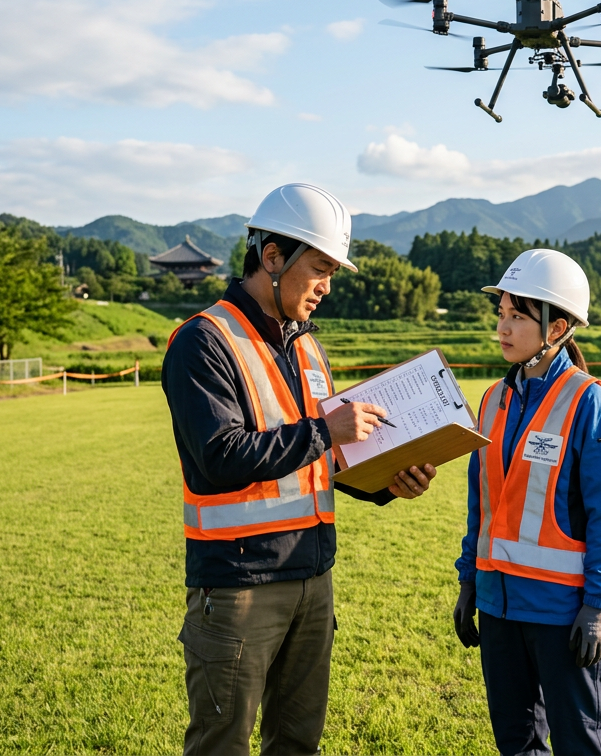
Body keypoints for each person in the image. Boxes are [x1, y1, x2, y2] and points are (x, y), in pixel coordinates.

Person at [162, 183, 436, 756]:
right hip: (239, 586)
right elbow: (219, 459)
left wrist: (388, 481)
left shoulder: (308, 346)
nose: (326, 288)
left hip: (313, 579)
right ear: (271, 257)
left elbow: (327, 459)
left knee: (297, 743)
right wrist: (324, 432)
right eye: (319, 269)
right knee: (223, 745)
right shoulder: (202, 342)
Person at [454, 249, 601, 756]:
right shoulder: (492, 399)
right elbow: (482, 506)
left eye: (517, 317)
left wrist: (600, 606)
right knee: (516, 742)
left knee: (579, 744)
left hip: (564, 613)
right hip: (499, 609)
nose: (503, 329)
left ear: (557, 329)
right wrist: (470, 580)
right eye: (501, 315)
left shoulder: (589, 402)